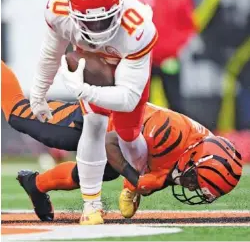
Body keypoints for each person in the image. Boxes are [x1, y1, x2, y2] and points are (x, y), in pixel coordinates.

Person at [1, 61, 242, 221]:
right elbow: (112, 142)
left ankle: (35, 184)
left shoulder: (198, 148)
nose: (190, 187)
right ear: (193, 157)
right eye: (194, 181)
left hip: (125, 134)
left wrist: (137, 184)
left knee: (95, 174)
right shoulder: (169, 135)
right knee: (17, 114)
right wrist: (136, 181)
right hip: (99, 117)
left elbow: (149, 162)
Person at [29, 0, 158, 224]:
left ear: (119, 5)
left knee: (129, 137)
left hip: (126, 67)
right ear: (74, 11)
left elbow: (127, 98)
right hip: (91, 62)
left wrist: (83, 90)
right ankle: (91, 206)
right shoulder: (59, 11)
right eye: (91, 21)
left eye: (105, 19)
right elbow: (51, 53)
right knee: (94, 123)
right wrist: (38, 93)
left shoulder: (138, 27)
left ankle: (132, 185)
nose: (99, 28)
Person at [128, 0, 196, 113]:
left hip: (169, 59)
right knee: (141, 105)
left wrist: (176, 49)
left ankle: (180, 138)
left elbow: (188, 25)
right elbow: (127, 27)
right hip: (143, 59)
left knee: (176, 104)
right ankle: (141, 138)